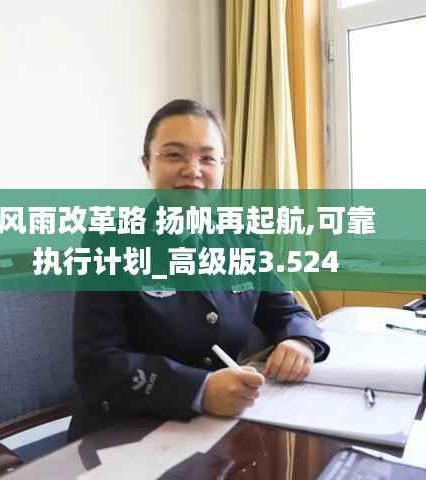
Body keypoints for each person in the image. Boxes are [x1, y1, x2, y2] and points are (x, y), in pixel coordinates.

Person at [67, 99, 329, 441]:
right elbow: (96, 363)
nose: (192, 170)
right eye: (174, 155)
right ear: (147, 164)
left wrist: (301, 341)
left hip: (220, 429)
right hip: (126, 432)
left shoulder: (242, 239)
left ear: (223, 167)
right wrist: (199, 389)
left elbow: (287, 311)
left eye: (207, 158)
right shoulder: (109, 241)